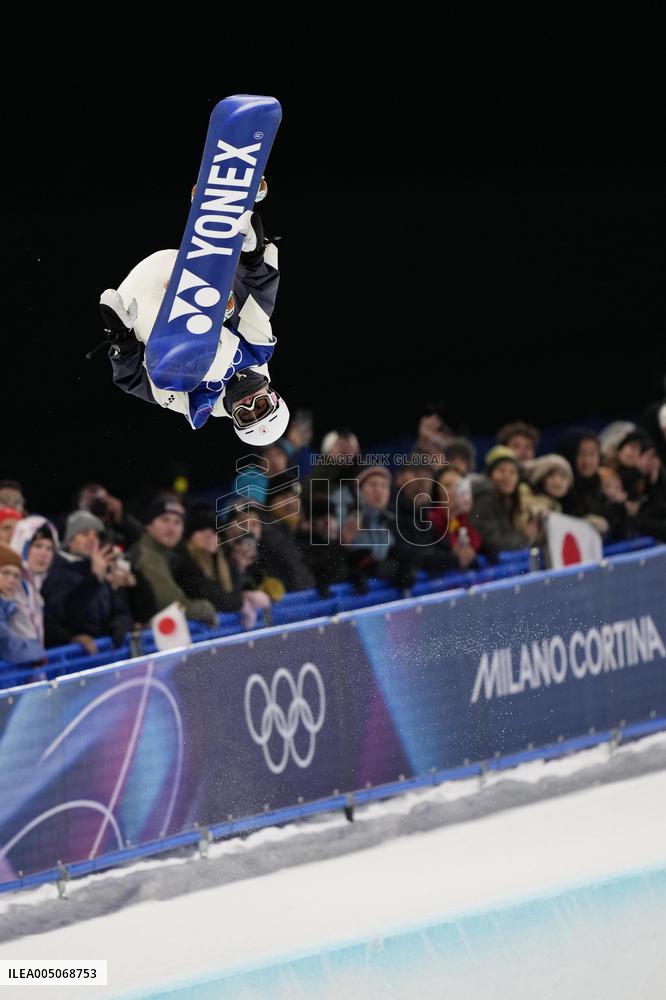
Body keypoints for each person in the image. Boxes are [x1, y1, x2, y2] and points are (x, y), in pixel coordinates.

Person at [98, 189, 290, 444]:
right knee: (255, 316)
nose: (249, 403)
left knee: (205, 371)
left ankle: (204, 302)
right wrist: (254, 256)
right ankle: (227, 230)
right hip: (173, 270)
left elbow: (132, 379)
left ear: (234, 418)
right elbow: (260, 296)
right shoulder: (259, 349)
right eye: (261, 406)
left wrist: (121, 339)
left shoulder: (197, 404)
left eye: (246, 414)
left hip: (139, 302)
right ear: (273, 395)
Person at [0, 545, 43, 666]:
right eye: (5, 572)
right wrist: (37, 653)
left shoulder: (12, 604)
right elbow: (8, 646)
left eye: (16, 575)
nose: (11, 579)